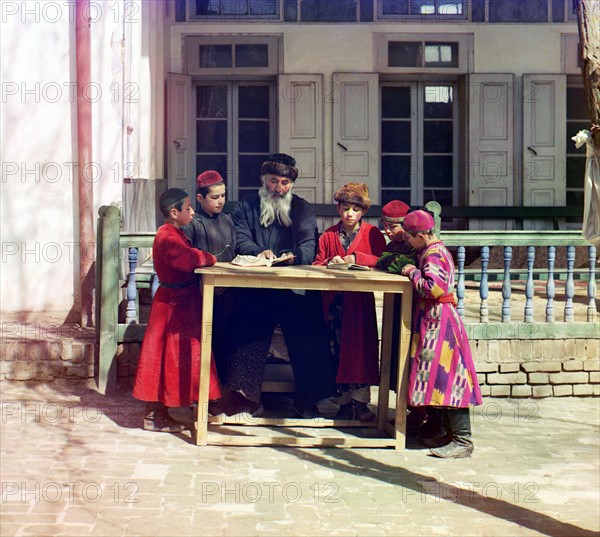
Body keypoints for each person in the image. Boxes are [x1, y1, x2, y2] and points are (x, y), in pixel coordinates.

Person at [223, 153, 337, 417]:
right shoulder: (246, 207)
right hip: (255, 288)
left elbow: (310, 245)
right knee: (245, 326)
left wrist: (293, 256)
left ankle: (312, 400)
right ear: (264, 181)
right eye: (274, 181)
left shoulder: (303, 209)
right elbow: (241, 241)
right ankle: (244, 399)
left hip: (292, 287)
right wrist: (259, 251)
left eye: (285, 183)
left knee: (309, 328)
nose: (279, 188)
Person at [132, 188, 222, 433]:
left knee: (181, 355)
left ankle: (195, 403)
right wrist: (210, 257)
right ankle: (155, 415)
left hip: (180, 302)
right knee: (166, 357)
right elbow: (189, 259)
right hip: (173, 305)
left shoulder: (171, 232)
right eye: (188, 208)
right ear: (174, 212)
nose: (192, 212)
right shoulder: (168, 237)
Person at [400, 209, 483, 458]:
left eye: (410, 237)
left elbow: (433, 288)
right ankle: (440, 430)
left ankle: (462, 440)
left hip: (441, 324)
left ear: (421, 235)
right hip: (432, 321)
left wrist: (411, 272)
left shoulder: (434, 253)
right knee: (433, 379)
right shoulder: (429, 251)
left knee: (448, 379)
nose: (408, 241)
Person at [313, 183, 386, 421]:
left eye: (355, 209)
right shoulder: (328, 236)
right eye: (345, 208)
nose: (349, 214)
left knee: (361, 350)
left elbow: (383, 260)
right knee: (336, 350)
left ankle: (361, 403)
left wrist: (357, 258)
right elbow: (316, 264)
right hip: (334, 303)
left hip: (359, 303)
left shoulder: (372, 234)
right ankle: (343, 403)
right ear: (338, 209)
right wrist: (329, 263)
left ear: (363, 212)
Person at [183, 170, 236, 383]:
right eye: (214, 197)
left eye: (223, 196)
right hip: (202, 294)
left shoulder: (228, 221)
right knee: (205, 343)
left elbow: (235, 251)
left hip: (230, 293)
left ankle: (221, 388)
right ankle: (202, 390)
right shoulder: (192, 224)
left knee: (226, 341)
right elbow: (187, 259)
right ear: (199, 198)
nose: (220, 201)